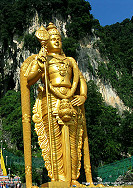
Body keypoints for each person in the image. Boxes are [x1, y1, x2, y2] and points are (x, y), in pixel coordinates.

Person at [20, 23, 94, 187]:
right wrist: (40, 64)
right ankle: (58, 177)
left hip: (71, 99)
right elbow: (28, 79)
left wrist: (83, 95)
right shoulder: (43, 60)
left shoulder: (70, 61)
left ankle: (73, 177)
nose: (56, 41)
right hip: (51, 100)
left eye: (58, 39)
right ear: (46, 42)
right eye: (53, 39)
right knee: (54, 140)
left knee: (74, 140)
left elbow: (81, 80)